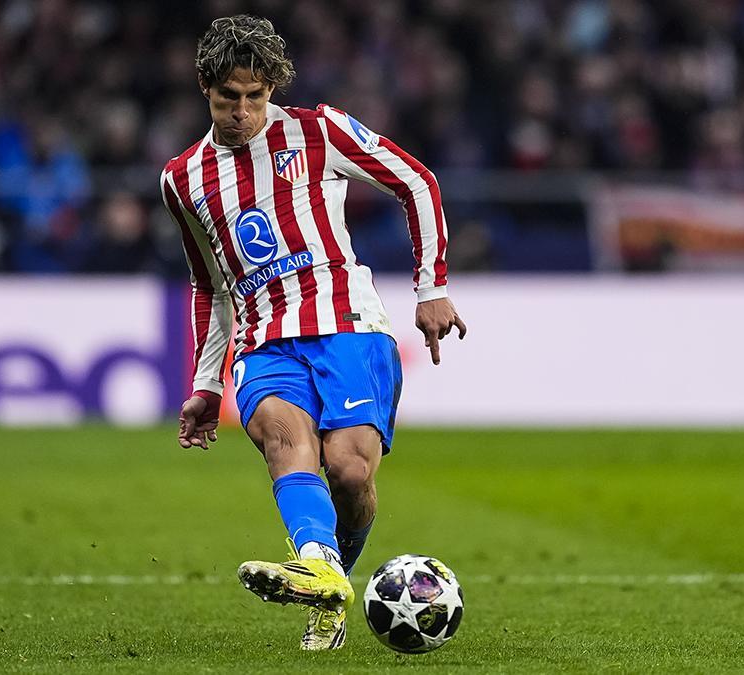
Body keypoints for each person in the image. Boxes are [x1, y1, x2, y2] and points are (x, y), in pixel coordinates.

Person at [159, 15, 466, 651]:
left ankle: (333, 581)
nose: (243, 111)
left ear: (271, 89)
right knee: (283, 439)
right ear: (204, 89)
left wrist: (431, 286)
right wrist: (205, 384)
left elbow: (417, 180)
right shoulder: (182, 178)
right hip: (262, 338)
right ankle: (319, 570)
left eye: (256, 96)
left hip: (348, 323)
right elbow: (208, 285)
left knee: (350, 473)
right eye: (228, 98)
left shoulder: (318, 130)